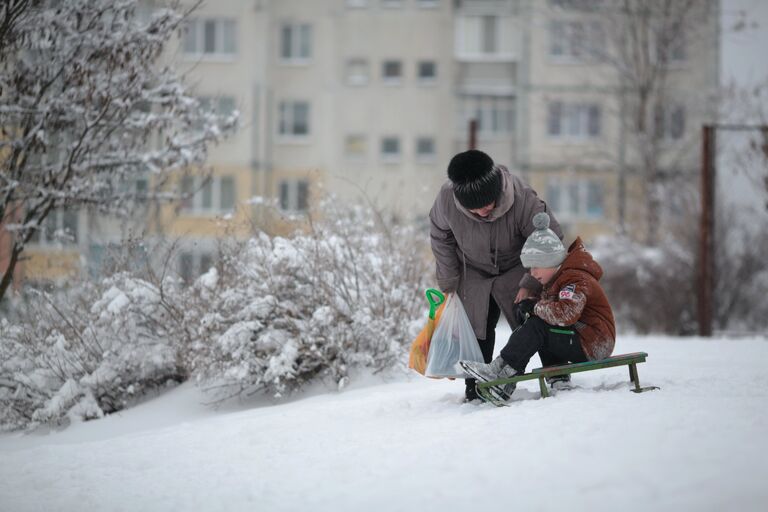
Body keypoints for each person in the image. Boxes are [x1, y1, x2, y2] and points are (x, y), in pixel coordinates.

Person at [429, 149, 563, 402]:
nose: (482, 212)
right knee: (475, 325)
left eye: (487, 205)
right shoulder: (446, 199)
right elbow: (440, 237)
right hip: (474, 270)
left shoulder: (522, 199)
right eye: (474, 209)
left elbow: (550, 238)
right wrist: (448, 281)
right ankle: (476, 388)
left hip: (517, 266)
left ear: (497, 193)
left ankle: (557, 372)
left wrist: (530, 282)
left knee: (534, 316)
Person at [459, 212, 616, 402]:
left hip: (595, 343)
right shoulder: (559, 279)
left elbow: (566, 314)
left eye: (535, 267)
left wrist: (535, 307)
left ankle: (501, 374)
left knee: (538, 326)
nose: (532, 273)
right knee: (538, 322)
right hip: (583, 338)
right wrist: (529, 308)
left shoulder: (575, 279)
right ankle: (531, 375)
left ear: (549, 261)